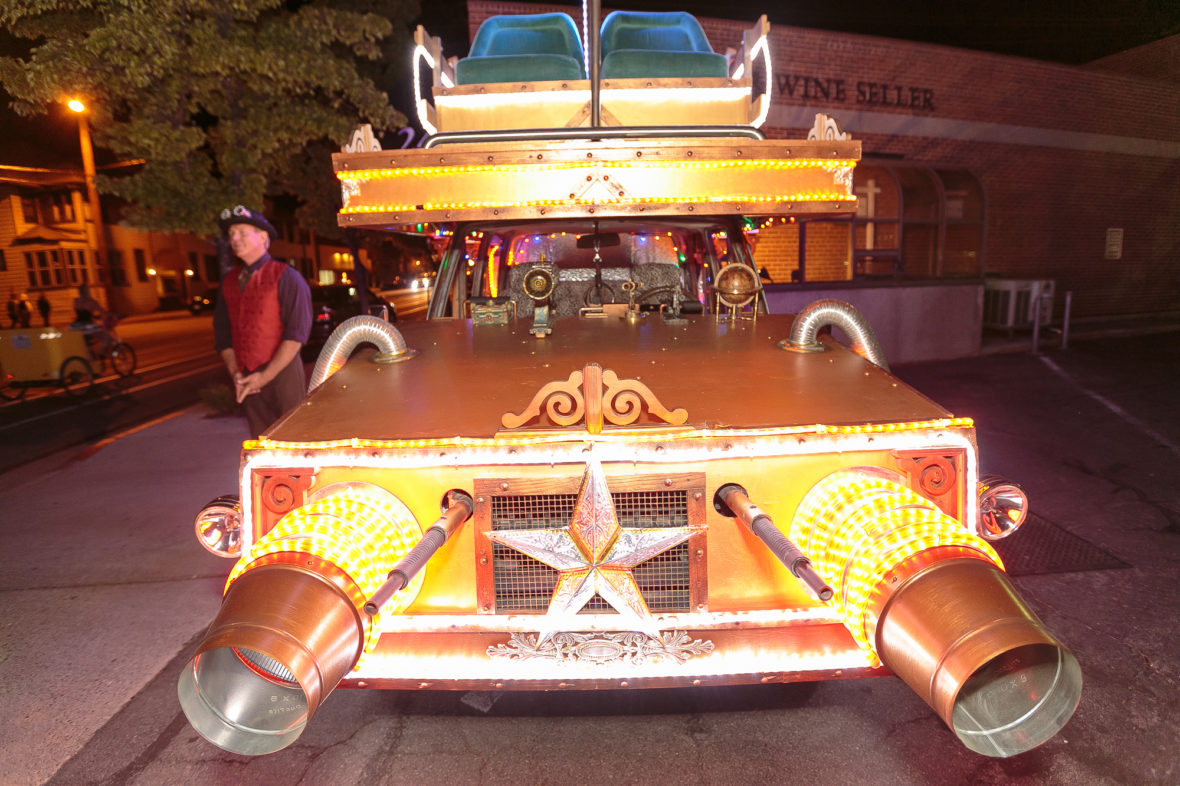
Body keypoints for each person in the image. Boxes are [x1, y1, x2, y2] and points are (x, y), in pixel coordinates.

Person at [213, 205, 312, 439]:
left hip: (283, 374)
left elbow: (296, 335)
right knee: (261, 443)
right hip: (247, 377)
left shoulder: (287, 277)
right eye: (231, 234)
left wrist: (264, 376)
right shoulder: (228, 282)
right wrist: (237, 373)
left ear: (263, 237)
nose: (234, 239)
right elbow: (223, 335)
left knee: (293, 440)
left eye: (241, 232)